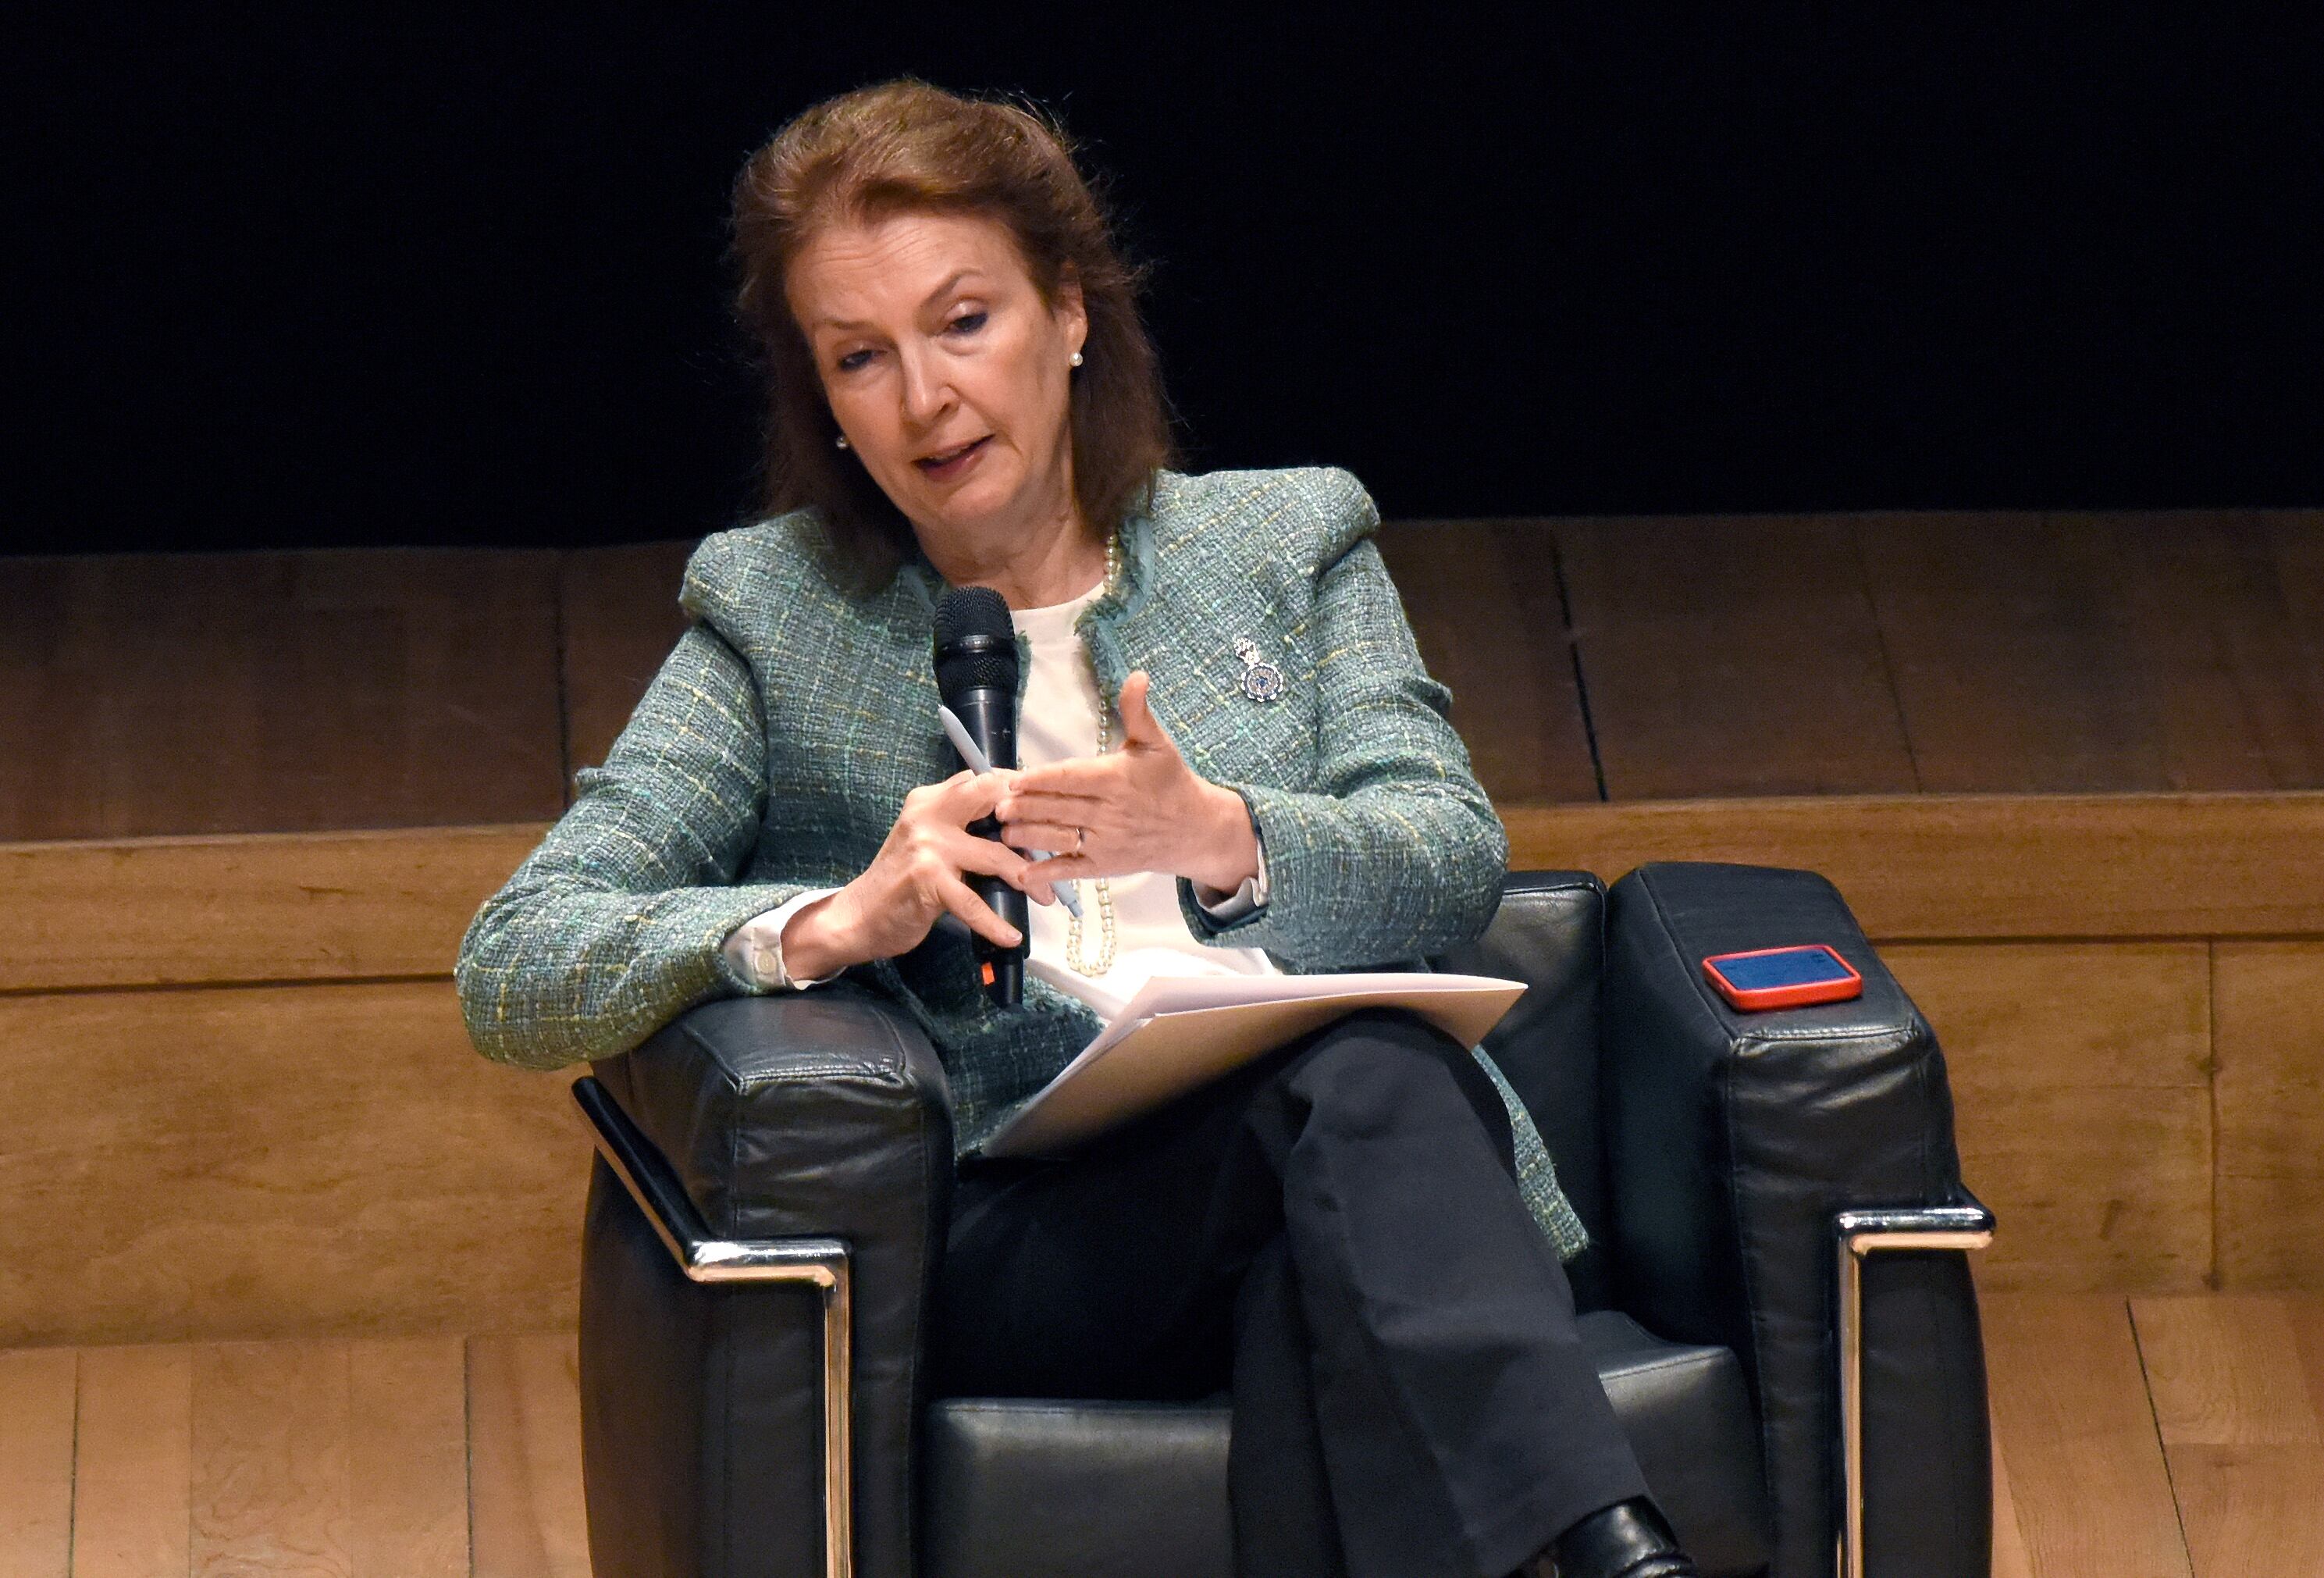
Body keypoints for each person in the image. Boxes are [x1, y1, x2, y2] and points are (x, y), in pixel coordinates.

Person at [454, 79, 1699, 1578]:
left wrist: (1223, 835)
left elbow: (1445, 848)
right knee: (1368, 1080)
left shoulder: (1286, 539)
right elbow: (517, 965)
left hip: (1350, 1196)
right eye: (861, 357)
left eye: (963, 322)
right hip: (1043, 1233)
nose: (924, 398)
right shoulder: (775, 616)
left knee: (1327, 1218)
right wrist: (829, 920)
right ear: (824, 401)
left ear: (1068, 313)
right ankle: (1611, 1550)